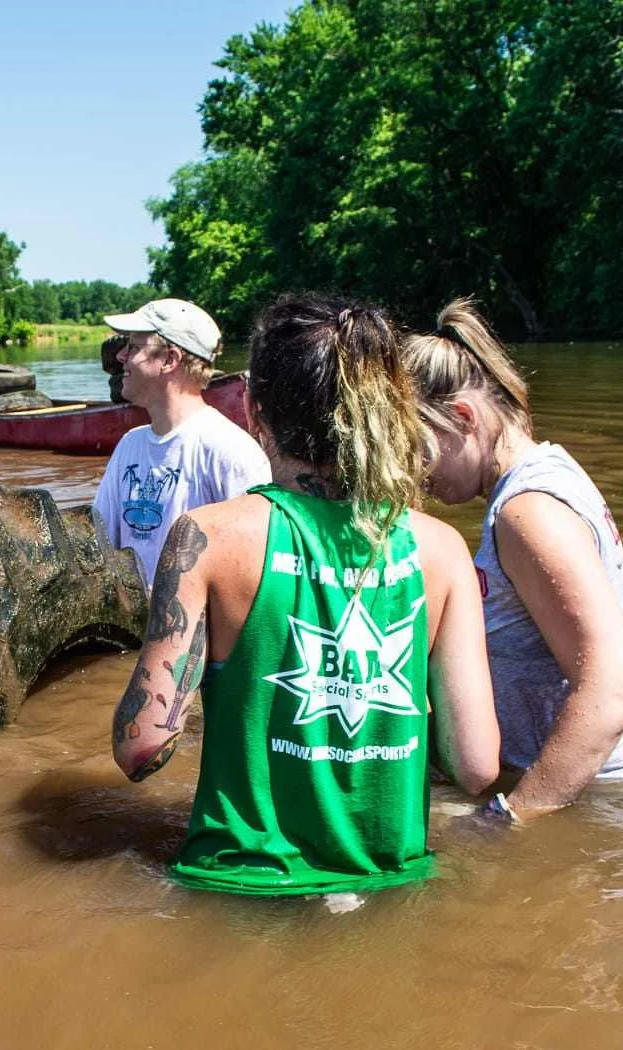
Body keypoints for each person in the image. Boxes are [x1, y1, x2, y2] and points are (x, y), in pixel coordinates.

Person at [111, 293, 500, 897]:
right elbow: (476, 767)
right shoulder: (442, 549)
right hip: (387, 885)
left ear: (253, 409)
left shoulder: (209, 538)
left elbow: (143, 748)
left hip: (238, 886)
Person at [401, 297, 623, 822]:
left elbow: (613, 689)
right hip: (598, 791)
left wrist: (512, 819)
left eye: (417, 449)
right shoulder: (542, 481)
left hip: (611, 799)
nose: (416, 474)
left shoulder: (528, 511)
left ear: (464, 418)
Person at [92, 298, 270, 590]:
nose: (121, 356)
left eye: (134, 347)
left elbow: (256, 571)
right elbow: (100, 543)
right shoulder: (129, 446)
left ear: (169, 360)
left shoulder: (231, 452)